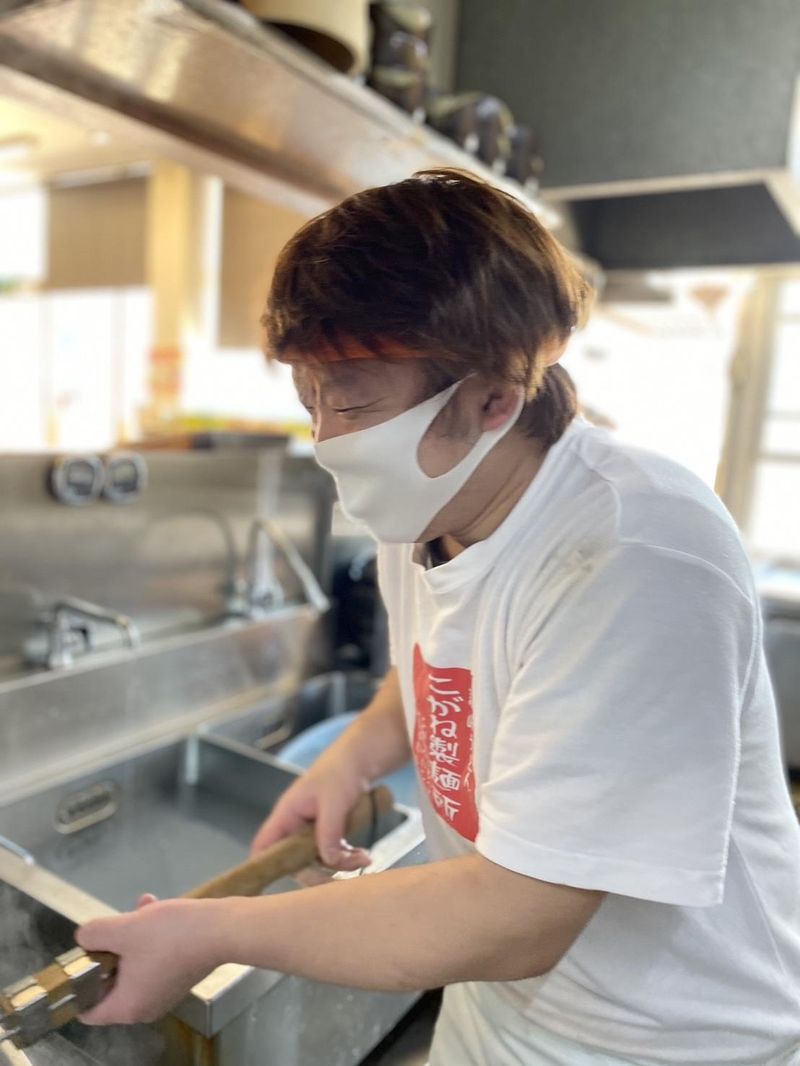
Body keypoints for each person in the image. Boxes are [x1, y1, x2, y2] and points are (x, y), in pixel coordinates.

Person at [78, 170, 800, 1066]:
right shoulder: (428, 504)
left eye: (352, 401)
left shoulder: (635, 555)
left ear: (493, 398)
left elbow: (520, 914)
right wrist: (350, 757)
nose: (326, 438)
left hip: (669, 1041)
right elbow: (433, 667)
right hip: (500, 1009)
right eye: (308, 399)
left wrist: (211, 932)